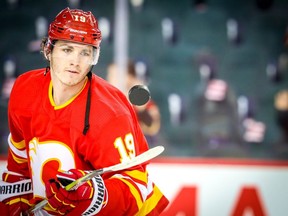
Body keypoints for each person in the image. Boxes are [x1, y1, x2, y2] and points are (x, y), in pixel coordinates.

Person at [0, 7, 168, 216]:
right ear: (48, 50)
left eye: (85, 52)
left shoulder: (110, 114)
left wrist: (95, 195)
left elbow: (135, 187)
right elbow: (20, 163)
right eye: (67, 49)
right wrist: (13, 206)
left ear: (94, 57)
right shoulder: (25, 89)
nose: (75, 61)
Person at [107, 61, 161, 146]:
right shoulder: (106, 102)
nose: (111, 79)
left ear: (130, 77)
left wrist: (140, 104)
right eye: (110, 75)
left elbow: (153, 128)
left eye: (116, 76)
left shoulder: (145, 104)